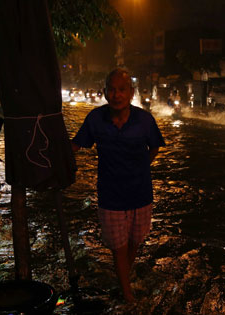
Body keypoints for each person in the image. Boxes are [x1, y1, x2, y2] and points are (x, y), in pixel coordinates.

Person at [71, 68, 165, 303]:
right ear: (105, 93)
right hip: (110, 195)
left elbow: (154, 148)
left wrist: (141, 167)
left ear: (131, 93)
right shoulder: (95, 119)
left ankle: (122, 279)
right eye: (112, 89)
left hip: (141, 193)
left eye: (122, 89)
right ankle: (127, 294)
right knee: (119, 248)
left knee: (134, 242)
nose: (117, 95)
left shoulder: (145, 120)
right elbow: (76, 146)